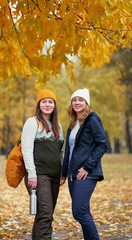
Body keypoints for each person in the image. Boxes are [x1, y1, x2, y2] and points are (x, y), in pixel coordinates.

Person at [60, 88, 108, 240]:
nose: (77, 102)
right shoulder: (73, 124)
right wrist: (64, 172)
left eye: (81, 100)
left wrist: (87, 166)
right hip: (73, 174)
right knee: (83, 211)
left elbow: (103, 145)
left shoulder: (92, 119)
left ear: (87, 103)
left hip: (87, 173)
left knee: (79, 211)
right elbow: (69, 150)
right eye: (74, 100)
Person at [21, 89, 64, 240]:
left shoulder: (58, 125)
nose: (47, 104)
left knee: (44, 214)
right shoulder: (33, 122)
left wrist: (62, 173)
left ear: (55, 105)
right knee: (45, 214)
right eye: (44, 101)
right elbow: (26, 150)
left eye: (50, 101)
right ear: (39, 104)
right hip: (38, 176)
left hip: (54, 176)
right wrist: (31, 174)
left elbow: (60, 152)